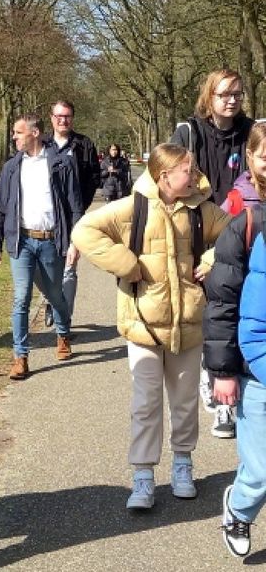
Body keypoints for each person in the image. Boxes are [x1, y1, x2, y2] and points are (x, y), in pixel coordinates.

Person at [72, 143, 229, 510]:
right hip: (142, 322)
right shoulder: (134, 207)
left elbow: (235, 236)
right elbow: (85, 232)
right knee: (145, 403)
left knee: (186, 401)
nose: (194, 176)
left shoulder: (202, 210)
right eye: (187, 170)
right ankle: (142, 475)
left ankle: (183, 465)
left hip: (189, 323)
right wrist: (127, 264)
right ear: (165, 176)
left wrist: (210, 258)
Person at [171, 69, 257, 440]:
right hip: (202, 235)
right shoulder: (190, 133)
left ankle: (245, 389)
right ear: (209, 96)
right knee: (214, 312)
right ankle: (219, 395)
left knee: (243, 309)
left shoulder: (252, 130)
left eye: (237, 93)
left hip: (247, 232)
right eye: (224, 94)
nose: (232, 100)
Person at [203, 127, 266, 557]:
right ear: (251, 158)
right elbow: (224, 304)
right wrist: (223, 372)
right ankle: (240, 509)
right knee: (260, 470)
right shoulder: (244, 222)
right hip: (255, 369)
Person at [0, 115, 84, 380]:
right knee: (21, 298)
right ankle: (20, 357)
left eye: (19, 133)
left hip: (51, 241)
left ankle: (63, 334)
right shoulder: (11, 167)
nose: (14, 137)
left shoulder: (62, 164)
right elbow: (1, 208)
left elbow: (75, 207)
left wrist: (76, 242)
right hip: (22, 241)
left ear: (35, 133)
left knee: (55, 295)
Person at [43, 100, 100, 326]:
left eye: (66, 116)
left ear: (72, 118)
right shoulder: (42, 144)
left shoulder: (84, 144)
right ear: (51, 118)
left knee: (69, 265)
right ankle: (52, 303)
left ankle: (64, 318)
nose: (62, 120)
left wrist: (81, 204)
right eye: (58, 116)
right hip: (47, 217)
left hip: (73, 216)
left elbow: (94, 177)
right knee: (48, 268)